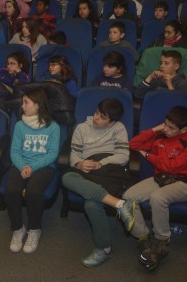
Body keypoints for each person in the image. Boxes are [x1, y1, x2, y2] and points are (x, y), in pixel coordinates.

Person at [124, 106, 187, 271]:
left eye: (171, 128)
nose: (166, 129)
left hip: (186, 182)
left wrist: (147, 155)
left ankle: (161, 240)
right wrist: (154, 129)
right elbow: (133, 144)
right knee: (128, 197)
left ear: (183, 129)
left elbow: (172, 167)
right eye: (165, 124)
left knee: (158, 197)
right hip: (162, 179)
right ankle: (143, 238)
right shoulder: (159, 136)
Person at [62, 98, 136, 266]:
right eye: (96, 113)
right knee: (67, 177)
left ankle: (104, 249)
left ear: (112, 122)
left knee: (91, 204)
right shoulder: (82, 127)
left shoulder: (118, 128)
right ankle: (120, 205)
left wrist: (101, 163)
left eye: (102, 117)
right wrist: (79, 163)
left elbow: (123, 156)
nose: (96, 118)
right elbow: (74, 153)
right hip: (87, 168)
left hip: (110, 169)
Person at [5, 89, 60, 253]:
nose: (22, 106)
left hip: (43, 165)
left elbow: (52, 154)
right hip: (22, 163)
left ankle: (34, 229)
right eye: (22, 102)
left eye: (26, 102)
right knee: (11, 191)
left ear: (38, 105)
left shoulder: (53, 127)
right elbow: (14, 151)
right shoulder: (20, 125)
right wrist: (23, 166)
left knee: (33, 192)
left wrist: (32, 167)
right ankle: (18, 228)